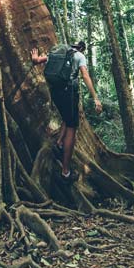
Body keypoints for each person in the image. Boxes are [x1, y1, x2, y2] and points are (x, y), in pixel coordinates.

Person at [31, 40, 102, 180]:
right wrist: (95, 97)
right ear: (82, 48)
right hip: (68, 93)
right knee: (72, 127)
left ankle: (59, 143)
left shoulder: (58, 51)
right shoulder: (79, 56)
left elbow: (38, 60)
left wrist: (35, 58)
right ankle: (66, 171)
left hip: (55, 93)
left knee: (66, 116)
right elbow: (85, 75)